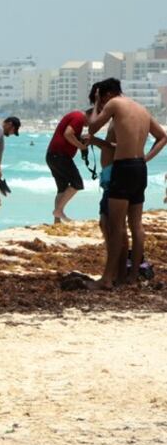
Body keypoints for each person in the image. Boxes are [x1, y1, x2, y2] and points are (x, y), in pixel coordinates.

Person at [86, 78, 167, 288]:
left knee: (116, 225)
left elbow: (93, 126)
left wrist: (96, 105)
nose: (102, 105)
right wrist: (145, 158)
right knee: (136, 224)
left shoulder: (114, 103)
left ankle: (107, 278)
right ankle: (129, 278)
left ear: (106, 95)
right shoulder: (141, 109)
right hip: (140, 168)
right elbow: (163, 137)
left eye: (101, 99)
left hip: (123, 168)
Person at [45, 108, 88, 223]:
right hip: (60, 156)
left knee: (62, 188)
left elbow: (68, 135)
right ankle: (58, 211)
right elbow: (68, 134)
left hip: (52, 155)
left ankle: (57, 221)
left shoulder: (75, 116)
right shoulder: (79, 117)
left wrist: (80, 139)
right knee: (77, 183)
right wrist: (81, 146)